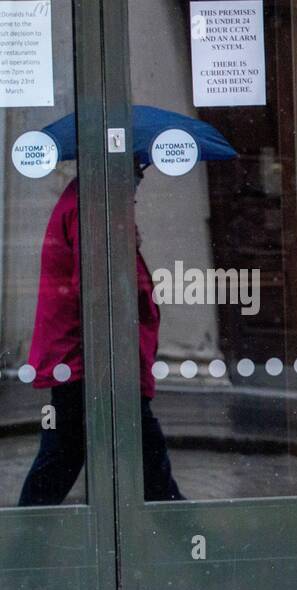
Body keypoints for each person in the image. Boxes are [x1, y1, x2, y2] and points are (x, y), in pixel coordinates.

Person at [19, 166, 183, 507]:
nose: (140, 177)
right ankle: (200, 552)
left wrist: (126, 245)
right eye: (136, 169)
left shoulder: (88, 203)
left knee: (60, 465)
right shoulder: (93, 206)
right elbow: (98, 288)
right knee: (150, 471)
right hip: (96, 364)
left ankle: (25, 548)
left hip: (88, 362)